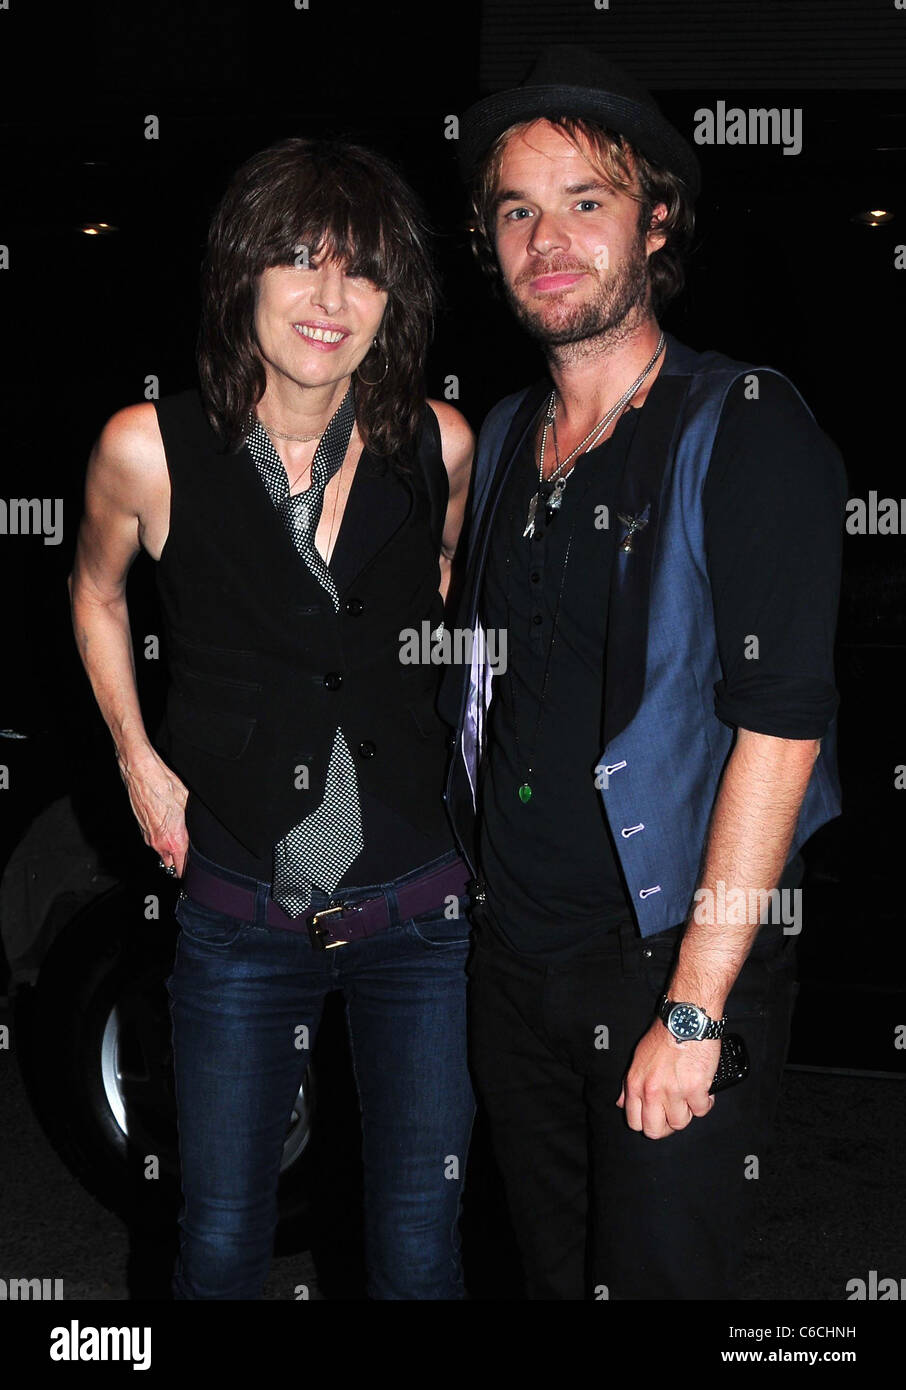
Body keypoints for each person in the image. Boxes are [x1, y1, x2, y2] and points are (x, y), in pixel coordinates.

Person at [440, 45, 847, 1299]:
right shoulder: (506, 434)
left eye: (584, 202)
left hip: (665, 957)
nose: (546, 239)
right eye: (518, 210)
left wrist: (694, 1008)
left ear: (655, 220)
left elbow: (781, 731)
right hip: (512, 965)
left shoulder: (747, 424)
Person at [67, 136, 475, 1300]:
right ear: (243, 274)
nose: (329, 298)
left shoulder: (440, 445)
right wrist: (140, 762)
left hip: (419, 910)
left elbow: (436, 601)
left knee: (417, 1246)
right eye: (299, 259)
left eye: (361, 269)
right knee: (222, 1237)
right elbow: (94, 593)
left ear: (393, 297)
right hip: (242, 906)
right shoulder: (147, 447)